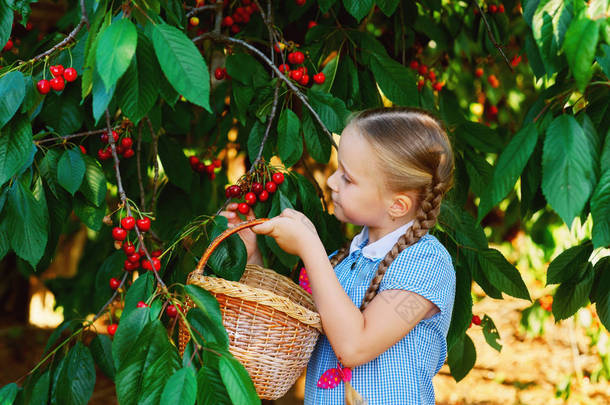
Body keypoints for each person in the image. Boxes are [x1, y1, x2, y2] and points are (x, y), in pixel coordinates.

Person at [221, 107, 456, 405]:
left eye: (348, 178)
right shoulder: (341, 262)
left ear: (397, 205)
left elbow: (355, 346)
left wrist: (309, 247)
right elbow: (286, 330)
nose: (332, 182)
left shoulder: (426, 264)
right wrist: (251, 255)